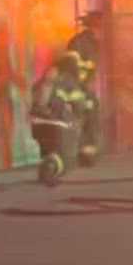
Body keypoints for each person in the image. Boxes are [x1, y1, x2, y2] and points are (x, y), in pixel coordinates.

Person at [29, 51, 93, 185]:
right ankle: (50, 169)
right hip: (57, 124)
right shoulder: (68, 81)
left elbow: (34, 97)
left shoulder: (44, 79)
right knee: (66, 158)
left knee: (49, 150)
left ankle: (48, 164)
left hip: (36, 125)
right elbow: (79, 106)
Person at [66, 11, 104, 165]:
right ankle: (83, 155)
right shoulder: (79, 42)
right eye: (99, 24)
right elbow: (71, 66)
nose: (102, 28)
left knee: (91, 120)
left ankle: (87, 155)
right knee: (84, 120)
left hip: (86, 87)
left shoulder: (94, 42)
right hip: (79, 88)